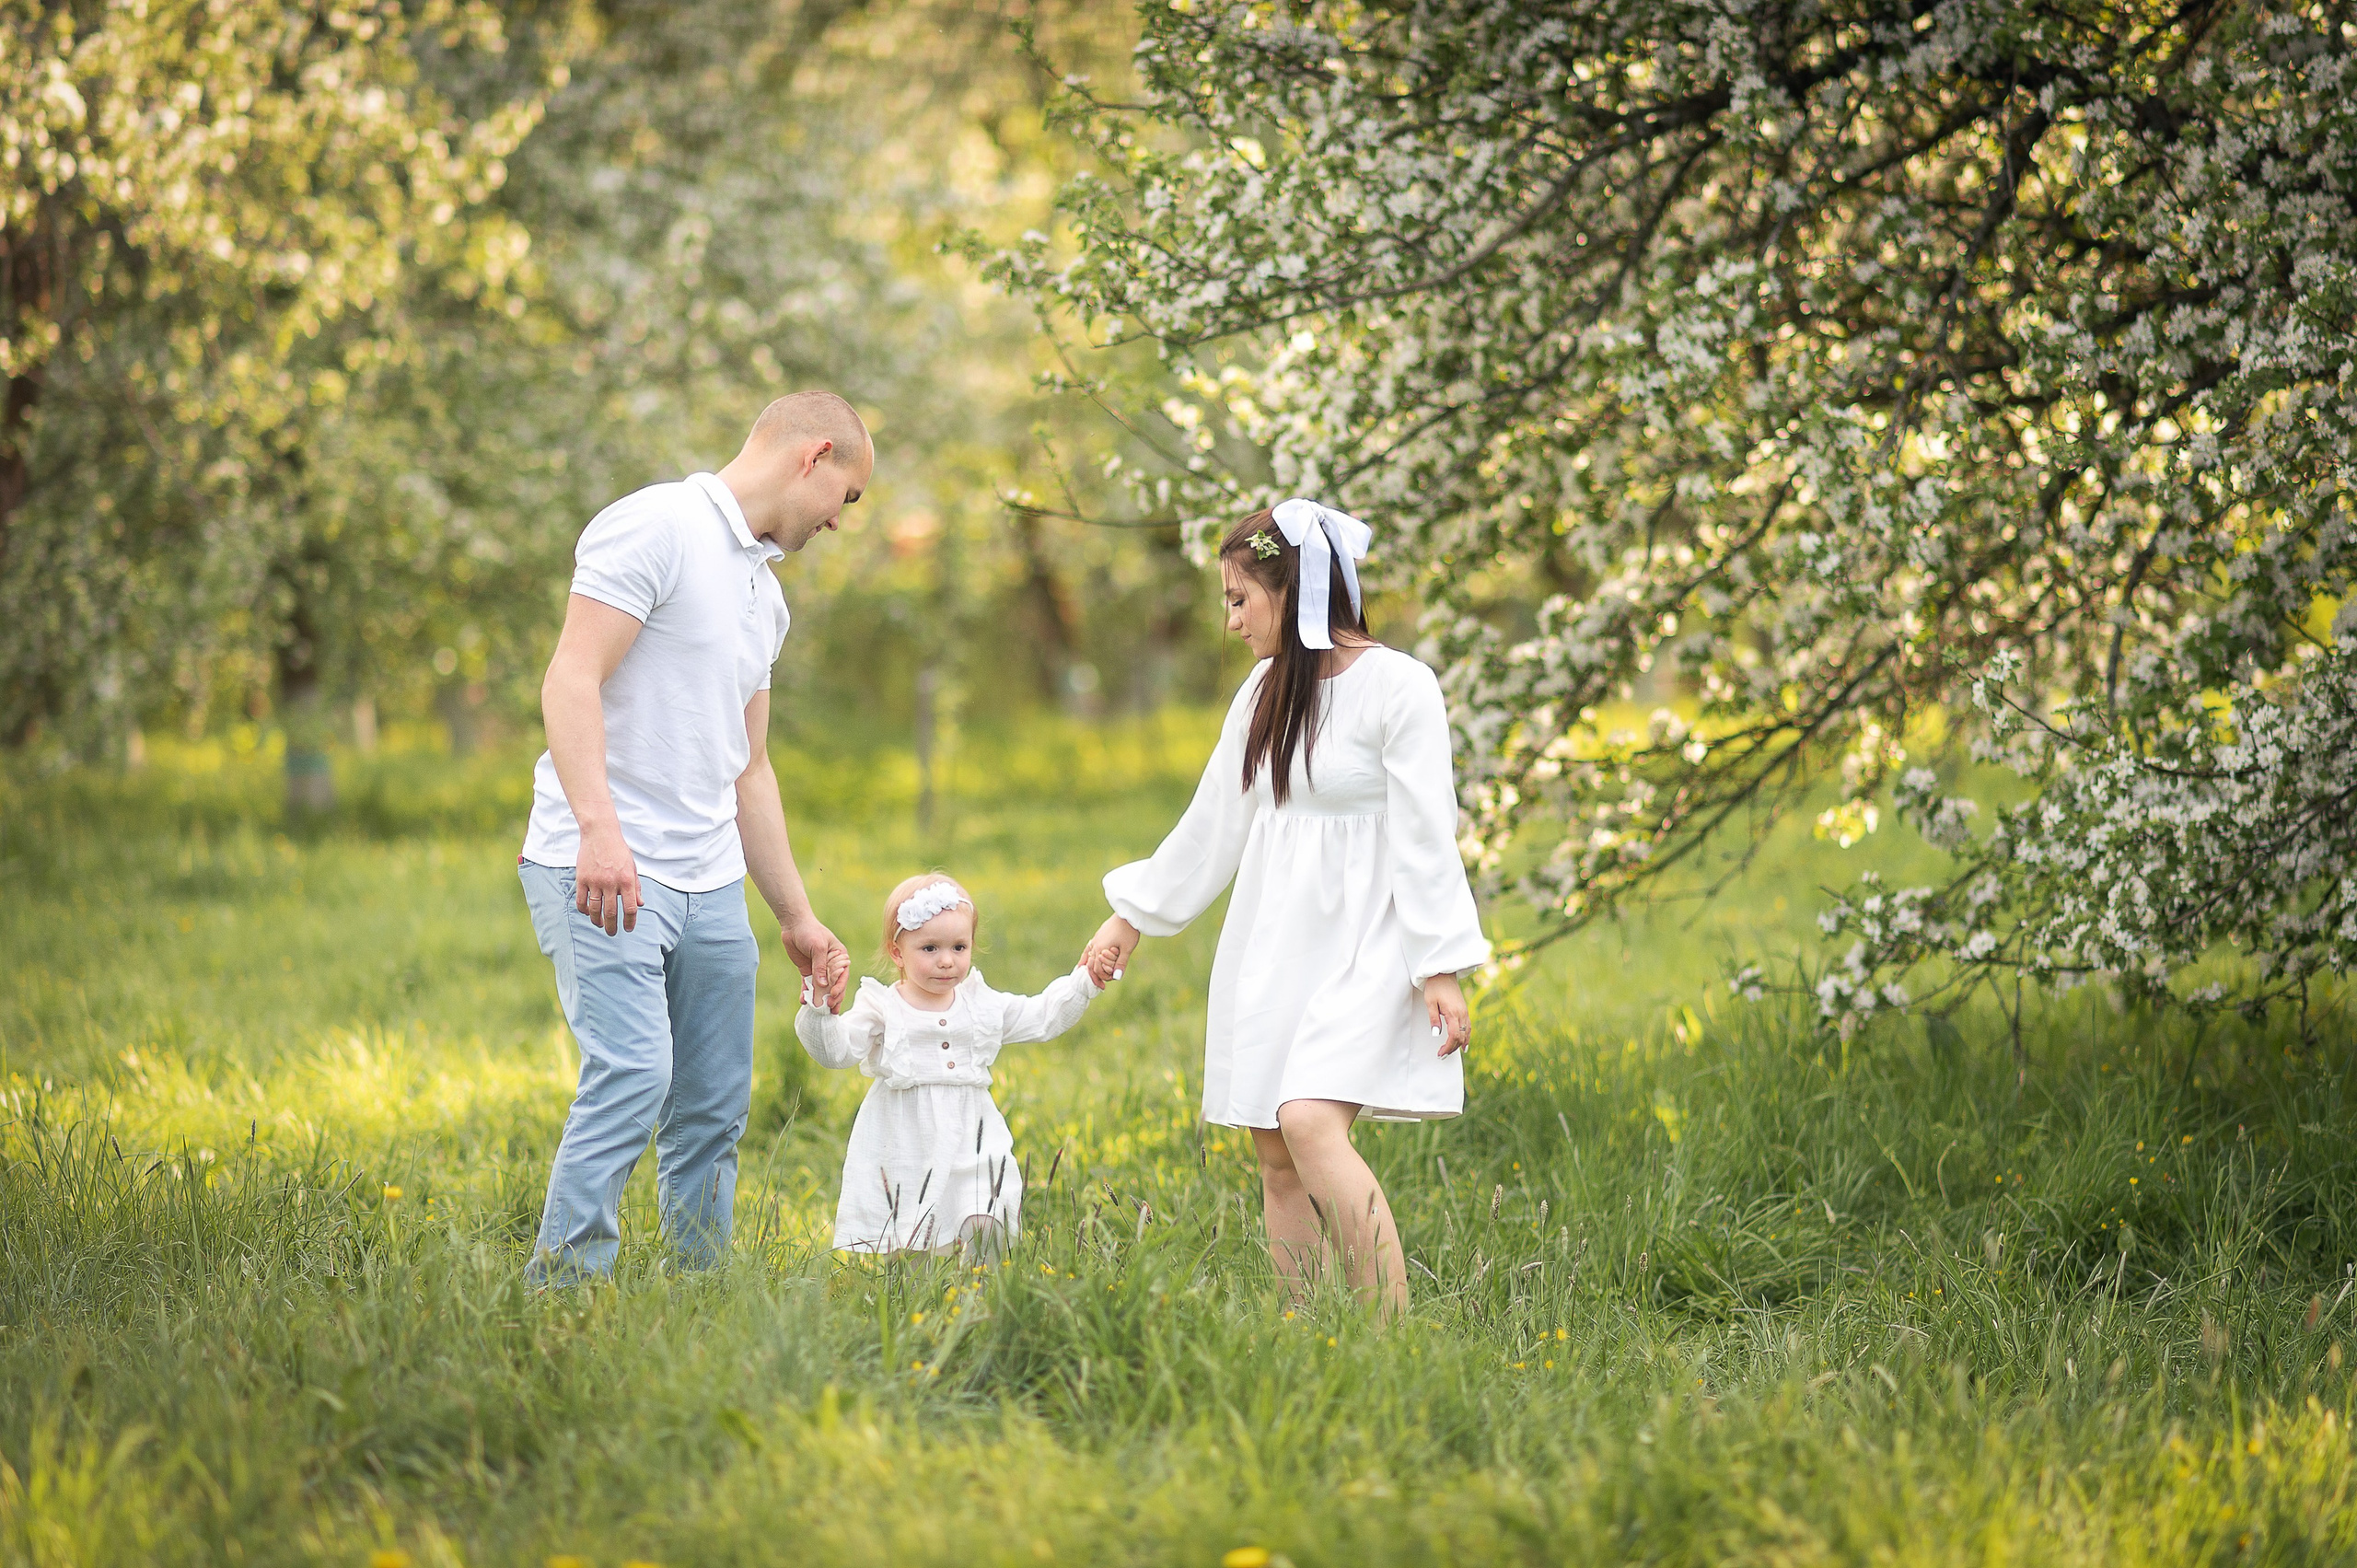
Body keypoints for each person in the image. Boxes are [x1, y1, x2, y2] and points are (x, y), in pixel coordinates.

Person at [1083, 499, 1489, 1317]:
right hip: (1278, 932)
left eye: (1240, 598)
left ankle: (1388, 1328)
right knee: (1274, 1147)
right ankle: (1306, 1326)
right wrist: (1133, 914)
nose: (1230, 620)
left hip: (1370, 936)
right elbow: (1214, 820)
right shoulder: (1265, 692)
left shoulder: (1399, 686)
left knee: (1308, 1119)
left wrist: (1439, 964)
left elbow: (1424, 833)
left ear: (1295, 589)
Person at [516, 391, 867, 1282]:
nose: (840, 520)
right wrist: (600, 830)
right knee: (634, 1075)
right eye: (848, 496)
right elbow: (571, 677)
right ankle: (563, 1291)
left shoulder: (765, 598)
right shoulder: (657, 525)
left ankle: (697, 1289)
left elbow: (749, 767)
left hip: (707, 878)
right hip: (604, 865)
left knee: (712, 1103)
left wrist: (795, 913)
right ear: (814, 455)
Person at [795, 875, 1107, 1256]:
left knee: (985, 1214)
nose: (947, 960)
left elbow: (1041, 1016)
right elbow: (836, 1052)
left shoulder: (980, 1004)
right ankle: (919, 1302)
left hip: (972, 1135)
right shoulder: (883, 1008)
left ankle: (985, 1292)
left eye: (959, 947)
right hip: (905, 1139)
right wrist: (820, 1009)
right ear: (898, 953)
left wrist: (1085, 980)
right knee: (912, 1237)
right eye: (929, 948)